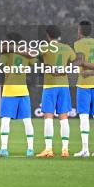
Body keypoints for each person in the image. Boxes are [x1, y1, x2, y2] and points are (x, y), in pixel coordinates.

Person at [0, 32, 37, 158]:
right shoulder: (26, 52)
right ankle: (30, 149)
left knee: (5, 120)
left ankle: (3, 149)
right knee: (27, 120)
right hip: (23, 90)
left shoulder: (7, 53)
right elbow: (36, 64)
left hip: (9, 90)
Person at [36, 25, 76, 158]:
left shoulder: (44, 47)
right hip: (64, 86)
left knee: (48, 117)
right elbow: (76, 62)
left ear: (48, 35)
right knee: (64, 118)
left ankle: (48, 149)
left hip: (50, 86)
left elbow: (35, 58)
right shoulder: (67, 48)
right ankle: (65, 149)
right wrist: (66, 69)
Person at [73, 20, 94, 157]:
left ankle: (85, 149)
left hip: (84, 84)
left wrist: (87, 71)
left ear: (80, 30)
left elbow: (81, 61)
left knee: (84, 117)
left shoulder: (78, 43)